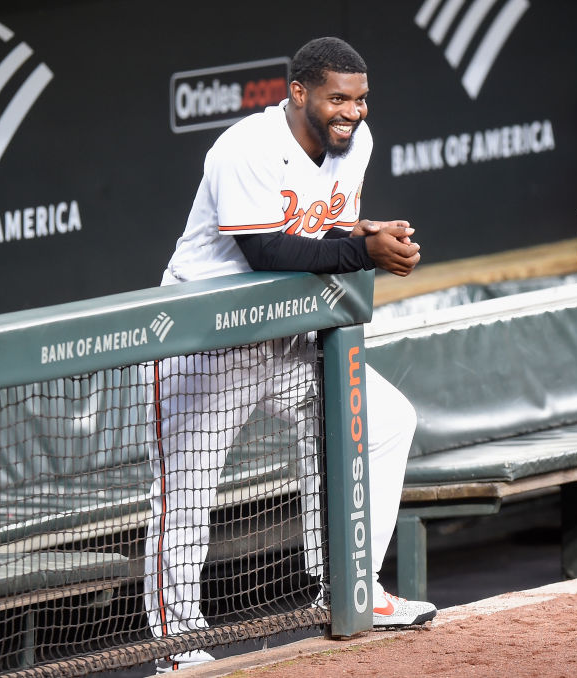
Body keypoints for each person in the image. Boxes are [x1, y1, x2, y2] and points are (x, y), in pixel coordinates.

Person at [145, 36, 435, 672]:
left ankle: (352, 590)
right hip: (204, 337)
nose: (352, 111)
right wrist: (366, 252)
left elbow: (319, 227)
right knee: (185, 488)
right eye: (337, 97)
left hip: (283, 338)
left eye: (360, 99)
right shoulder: (244, 149)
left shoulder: (355, 143)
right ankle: (176, 641)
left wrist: (368, 232)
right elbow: (268, 254)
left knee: (386, 421)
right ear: (297, 92)